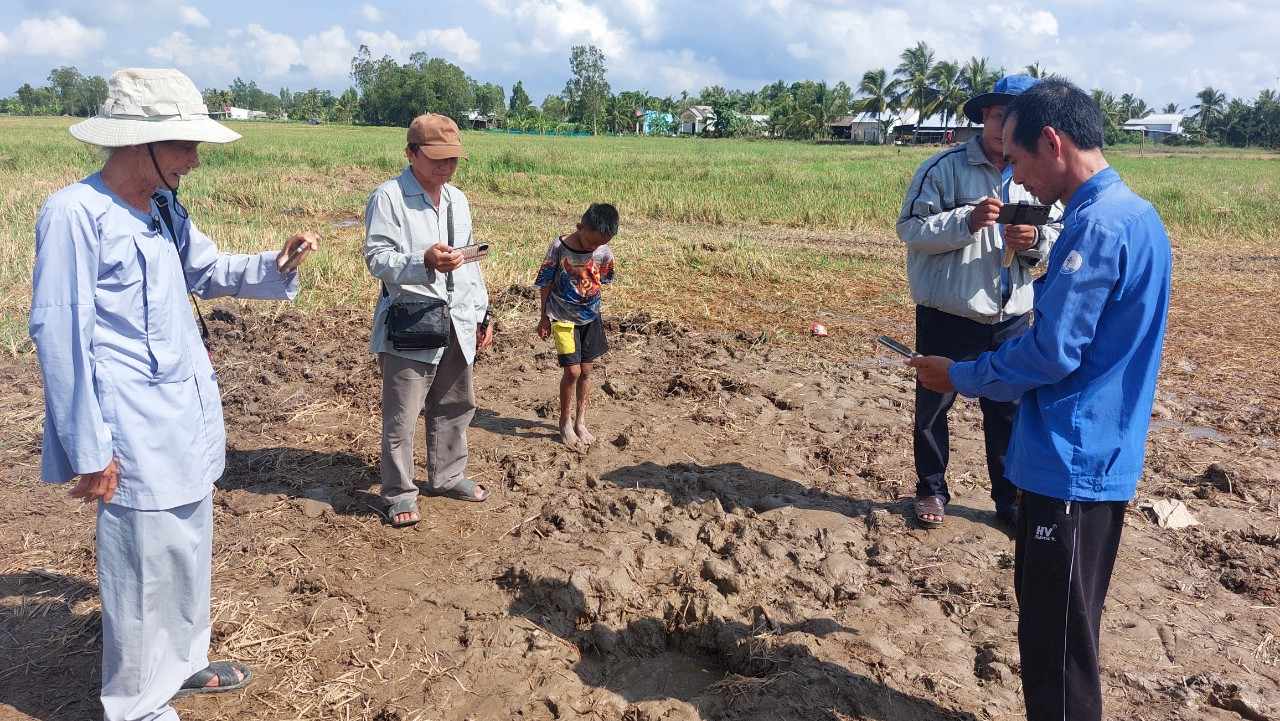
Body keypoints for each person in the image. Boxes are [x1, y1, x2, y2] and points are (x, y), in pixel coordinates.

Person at [29, 68, 319, 721]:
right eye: (185, 144)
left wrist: (277, 264)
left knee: (186, 548)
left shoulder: (162, 207)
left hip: (184, 412)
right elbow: (60, 333)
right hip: (129, 426)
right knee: (140, 569)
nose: (194, 159)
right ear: (142, 142)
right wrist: (88, 448)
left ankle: (183, 662)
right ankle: (137, 704)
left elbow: (207, 270)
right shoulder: (75, 214)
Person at [909, 78, 1172, 721]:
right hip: (1088, 451)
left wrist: (962, 375)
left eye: (1020, 159)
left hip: (1070, 461)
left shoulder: (1097, 228)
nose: (1017, 179)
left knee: (1056, 648)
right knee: (1061, 628)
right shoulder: (1130, 215)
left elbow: (1052, 353)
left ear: (1052, 142)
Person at [895, 74, 1061, 528]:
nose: (1005, 127)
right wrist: (965, 222)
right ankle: (931, 489)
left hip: (1011, 315)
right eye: (999, 116)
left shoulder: (1039, 174)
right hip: (949, 312)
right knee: (934, 405)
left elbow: (1058, 232)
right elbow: (910, 229)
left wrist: (1034, 240)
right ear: (985, 117)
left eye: (1017, 118)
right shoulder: (943, 168)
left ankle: (1009, 499)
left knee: (1007, 409)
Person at [364, 113, 493, 528]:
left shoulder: (458, 199)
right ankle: (399, 492)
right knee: (402, 414)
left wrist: (483, 311)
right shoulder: (389, 198)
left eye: (452, 158)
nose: (446, 166)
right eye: (437, 158)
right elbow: (377, 259)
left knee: (456, 403)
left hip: (458, 316)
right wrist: (423, 262)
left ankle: (448, 475)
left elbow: (471, 261)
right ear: (411, 153)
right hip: (412, 319)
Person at [534, 204, 619, 450]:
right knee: (572, 372)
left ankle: (581, 421)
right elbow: (546, 282)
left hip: (590, 317)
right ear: (580, 227)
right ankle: (565, 422)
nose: (594, 248)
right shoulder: (559, 247)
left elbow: (603, 277)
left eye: (601, 243)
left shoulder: (603, 251)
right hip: (563, 318)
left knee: (587, 371)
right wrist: (543, 317)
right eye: (591, 242)